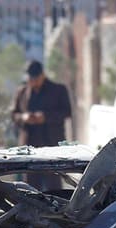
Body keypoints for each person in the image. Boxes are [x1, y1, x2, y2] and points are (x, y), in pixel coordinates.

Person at [11, 60, 72, 189]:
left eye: (36, 78)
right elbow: (14, 114)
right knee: (31, 189)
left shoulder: (58, 90)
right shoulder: (22, 92)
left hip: (51, 146)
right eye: (31, 79)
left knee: (54, 188)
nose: (33, 82)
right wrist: (24, 117)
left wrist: (45, 117)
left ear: (43, 75)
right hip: (29, 149)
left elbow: (66, 112)